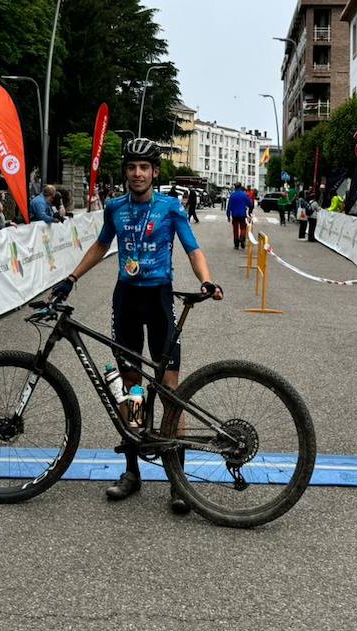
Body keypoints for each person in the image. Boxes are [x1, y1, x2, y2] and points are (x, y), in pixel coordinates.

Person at [48, 138, 221, 513]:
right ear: (125, 172)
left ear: (155, 172)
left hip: (159, 300)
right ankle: (132, 472)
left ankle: (179, 481)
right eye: (132, 167)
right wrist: (71, 278)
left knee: (172, 390)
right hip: (126, 300)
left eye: (144, 167)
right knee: (132, 389)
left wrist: (205, 279)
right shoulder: (114, 208)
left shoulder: (170, 207)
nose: (138, 173)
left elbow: (192, 248)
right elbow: (100, 245)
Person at [226, 181, 250, 250]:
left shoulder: (232, 195)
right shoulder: (244, 194)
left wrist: (228, 215)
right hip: (242, 214)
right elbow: (249, 203)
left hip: (234, 215)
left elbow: (229, 206)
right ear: (240, 187)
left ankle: (236, 244)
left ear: (235, 187)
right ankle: (242, 238)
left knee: (235, 229)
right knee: (243, 228)